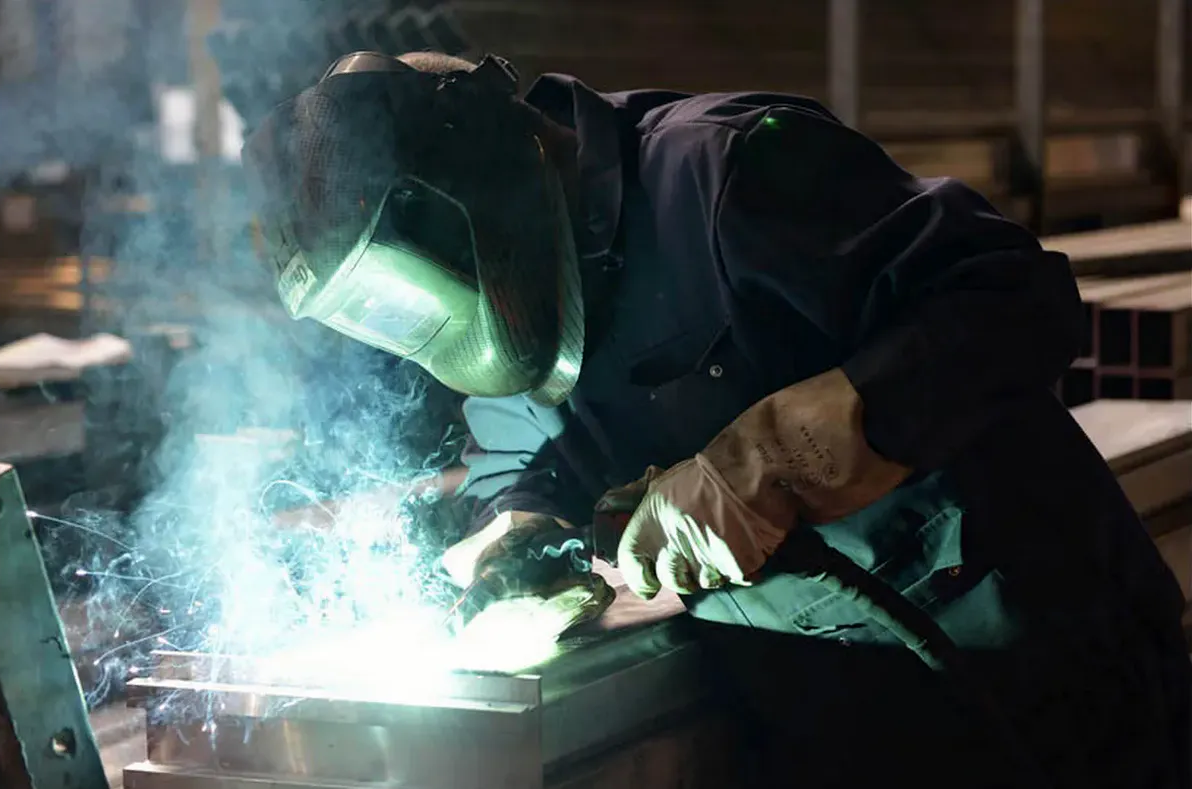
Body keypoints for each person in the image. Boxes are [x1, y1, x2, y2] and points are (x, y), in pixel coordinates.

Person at [242, 50, 1189, 788]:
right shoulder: (511, 327)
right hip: (846, 729)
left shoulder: (729, 171)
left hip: (1063, 687)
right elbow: (527, 460)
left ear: (484, 177)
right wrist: (525, 533)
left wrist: (782, 457)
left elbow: (1013, 302)